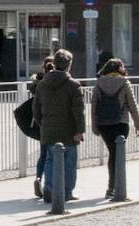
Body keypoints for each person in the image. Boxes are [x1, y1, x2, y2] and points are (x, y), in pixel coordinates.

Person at [32, 49, 85, 204]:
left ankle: (49, 190)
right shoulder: (73, 85)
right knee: (69, 163)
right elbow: (78, 112)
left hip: (48, 130)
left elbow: (36, 110)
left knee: (50, 161)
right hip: (69, 131)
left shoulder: (42, 84)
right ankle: (66, 192)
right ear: (69, 65)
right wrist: (80, 130)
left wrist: (43, 124)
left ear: (54, 64)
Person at [91, 58, 139, 199]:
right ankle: (115, 187)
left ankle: (112, 187)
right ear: (119, 68)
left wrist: (94, 126)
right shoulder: (124, 82)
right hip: (120, 122)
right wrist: (138, 123)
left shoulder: (99, 83)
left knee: (112, 153)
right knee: (117, 154)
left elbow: (94, 106)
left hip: (103, 124)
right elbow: (132, 105)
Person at [26, 57, 54, 198]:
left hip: (40, 122)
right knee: (54, 155)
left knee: (43, 154)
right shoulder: (53, 81)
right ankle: (52, 185)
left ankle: (38, 178)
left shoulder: (38, 81)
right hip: (54, 122)